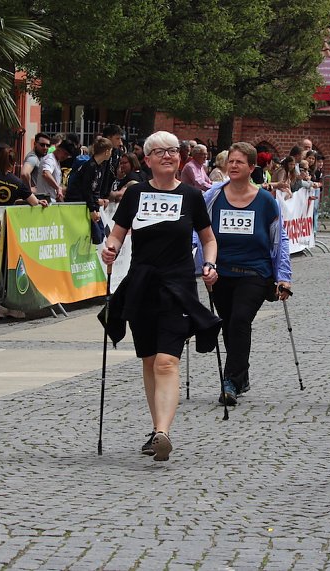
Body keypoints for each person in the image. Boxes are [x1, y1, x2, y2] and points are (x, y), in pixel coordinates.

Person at [101, 131, 220, 462]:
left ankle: (163, 432)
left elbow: (208, 239)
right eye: (160, 152)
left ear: (180, 158)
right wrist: (109, 251)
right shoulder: (136, 194)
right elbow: (116, 236)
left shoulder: (191, 197)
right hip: (142, 284)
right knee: (150, 359)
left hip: (178, 287)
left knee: (168, 361)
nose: (168, 156)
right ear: (149, 160)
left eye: (173, 151)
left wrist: (210, 263)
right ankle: (156, 429)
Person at [202, 142, 292, 404]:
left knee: (241, 319)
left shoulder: (265, 201)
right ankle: (241, 376)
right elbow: (201, 233)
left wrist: (283, 277)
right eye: (231, 161)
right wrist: (202, 264)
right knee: (229, 324)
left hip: (255, 272)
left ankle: (230, 380)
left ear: (252, 167)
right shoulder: (213, 197)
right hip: (221, 273)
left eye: (239, 162)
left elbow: (280, 239)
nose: (233, 166)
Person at [65, 136, 112, 224]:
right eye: (111, 151)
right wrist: (92, 209)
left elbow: (96, 189)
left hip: (89, 203)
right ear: (107, 152)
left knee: (99, 233)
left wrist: (96, 207)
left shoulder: (100, 167)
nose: (111, 154)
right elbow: (87, 188)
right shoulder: (90, 166)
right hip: (78, 202)